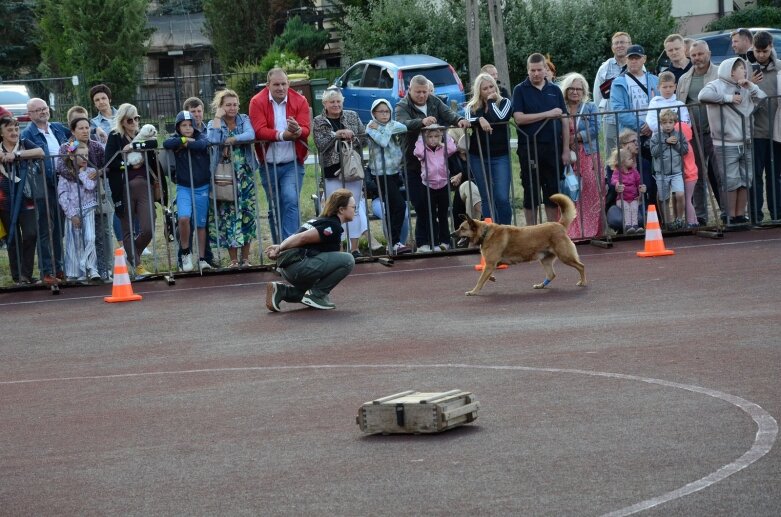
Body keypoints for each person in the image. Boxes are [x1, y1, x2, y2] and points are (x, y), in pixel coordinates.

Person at [396, 74, 469, 252]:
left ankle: (442, 241)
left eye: (425, 92)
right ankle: (423, 242)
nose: (422, 95)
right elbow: (401, 123)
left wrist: (459, 120)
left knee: (441, 207)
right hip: (413, 164)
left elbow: (448, 113)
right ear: (409, 90)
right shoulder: (402, 105)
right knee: (421, 205)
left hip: (437, 165)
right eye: (418, 92)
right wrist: (421, 121)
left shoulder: (434, 101)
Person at [265, 188, 356, 311]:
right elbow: (302, 238)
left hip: (291, 267)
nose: (355, 210)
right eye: (353, 207)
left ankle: (282, 291)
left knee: (316, 290)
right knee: (348, 260)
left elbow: (297, 237)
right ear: (341, 209)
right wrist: (280, 248)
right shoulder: (332, 225)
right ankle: (316, 295)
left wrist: (280, 247)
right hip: (299, 267)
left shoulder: (320, 220)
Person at [700, 57, 767, 225]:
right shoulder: (715, 85)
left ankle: (740, 215)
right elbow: (703, 95)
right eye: (741, 69)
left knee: (745, 179)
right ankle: (729, 215)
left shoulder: (744, 87)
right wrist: (728, 98)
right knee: (731, 181)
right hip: (725, 143)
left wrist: (750, 85)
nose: (744, 72)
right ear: (731, 71)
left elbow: (762, 98)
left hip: (746, 141)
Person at [249, 68, 311, 242]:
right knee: (275, 207)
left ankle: (289, 247)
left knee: (291, 200)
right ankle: (278, 247)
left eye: (284, 84)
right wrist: (283, 135)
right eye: (276, 84)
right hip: (268, 164)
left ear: (288, 84)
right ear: (268, 85)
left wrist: (298, 130)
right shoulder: (257, 101)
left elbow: (306, 128)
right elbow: (259, 131)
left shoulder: (300, 100)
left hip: (293, 163)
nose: (280, 88)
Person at [513, 52, 571, 225]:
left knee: (552, 192)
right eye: (532, 70)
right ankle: (532, 232)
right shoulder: (519, 89)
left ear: (546, 70)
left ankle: (552, 232)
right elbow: (519, 118)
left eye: (539, 70)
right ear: (528, 70)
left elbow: (565, 120)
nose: (536, 74)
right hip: (529, 147)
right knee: (530, 192)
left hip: (553, 147)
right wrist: (547, 114)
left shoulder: (555, 90)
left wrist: (566, 149)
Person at [312, 87, 370, 257]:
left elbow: (364, 138)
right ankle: (337, 248)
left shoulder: (352, 115)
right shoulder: (318, 120)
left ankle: (354, 248)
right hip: (332, 170)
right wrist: (335, 134)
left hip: (353, 168)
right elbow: (320, 144)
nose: (336, 105)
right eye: (332, 102)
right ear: (324, 104)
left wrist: (353, 136)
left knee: (354, 208)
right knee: (334, 210)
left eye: (338, 101)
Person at [105, 103, 160, 277]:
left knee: (148, 227)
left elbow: (154, 142)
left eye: (137, 118)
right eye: (130, 119)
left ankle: (129, 254)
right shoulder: (114, 137)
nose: (134, 122)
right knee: (127, 228)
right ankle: (137, 265)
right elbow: (110, 162)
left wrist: (134, 147)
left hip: (145, 184)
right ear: (122, 120)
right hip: (123, 187)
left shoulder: (142, 134)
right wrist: (128, 164)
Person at [20, 97, 71, 285]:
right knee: (45, 230)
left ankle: (59, 268)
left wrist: (94, 129)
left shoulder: (57, 127)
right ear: (30, 114)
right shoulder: (28, 134)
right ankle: (47, 270)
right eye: (38, 110)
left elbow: (73, 136)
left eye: (45, 108)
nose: (43, 111)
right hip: (43, 185)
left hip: (63, 183)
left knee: (59, 229)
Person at [207, 89, 258, 268]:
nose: (232, 108)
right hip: (225, 177)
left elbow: (250, 135)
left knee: (247, 215)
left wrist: (231, 139)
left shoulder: (243, 119)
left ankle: (245, 259)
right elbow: (212, 139)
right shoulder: (214, 123)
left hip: (245, 175)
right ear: (220, 106)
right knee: (229, 216)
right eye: (228, 104)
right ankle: (233, 260)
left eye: (235, 104)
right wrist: (217, 118)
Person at [56, 116, 111, 281]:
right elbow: (62, 167)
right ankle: (77, 270)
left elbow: (107, 165)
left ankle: (101, 269)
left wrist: (99, 172)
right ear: (73, 131)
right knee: (76, 239)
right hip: (74, 200)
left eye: (87, 127)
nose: (85, 131)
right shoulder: (69, 147)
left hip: (95, 198)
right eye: (81, 128)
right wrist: (83, 176)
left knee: (98, 234)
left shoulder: (96, 146)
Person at [676, 40, 722, 225]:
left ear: (708, 53)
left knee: (720, 174)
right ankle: (701, 215)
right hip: (693, 134)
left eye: (700, 54)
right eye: (694, 55)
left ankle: (727, 213)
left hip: (716, 131)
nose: (697, 58)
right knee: (696, 175)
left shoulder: (719, 73)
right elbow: (680, 104)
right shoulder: (684, 79)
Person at [163, 111, 212, 272]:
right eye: (184, 125)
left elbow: (203, 144)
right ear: (178, 127)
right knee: (184, 218)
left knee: (200, 224)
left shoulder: (201, 136)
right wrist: (183, 140)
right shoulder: (176, 140)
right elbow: (166, 144)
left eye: (190, 125)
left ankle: (203, 258)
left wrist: (188, 143)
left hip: (202, 187)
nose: (188, 128)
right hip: (184, 187)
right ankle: (185, 253)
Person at [464, 72, 513, 225]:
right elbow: (466, 119)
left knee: (502, 197)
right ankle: (489, 229)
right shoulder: (472, 106)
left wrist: (492, 102)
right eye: (485, 88)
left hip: (500, 156)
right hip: (477, 156)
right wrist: (480, 119)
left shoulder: (504, 102)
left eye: (492, 86)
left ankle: (506, 230)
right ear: (479, 91)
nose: (490, 90)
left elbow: (500, 117)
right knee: (486, 198)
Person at [0, 116, 44, 284]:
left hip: (27, 199)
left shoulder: (25, 143)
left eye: (16, 129)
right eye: (9, 130)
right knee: (12, 238)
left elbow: (40, 152)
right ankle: (17, 276)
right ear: (1, 133)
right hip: (5, 201)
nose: (14, 132)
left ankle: (26, 274)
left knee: (31, 233)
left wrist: (16, 155)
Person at [559, 72, 602, 239]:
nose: (575, 92)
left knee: (591, 189)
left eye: (579, 89)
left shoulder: (590, 107)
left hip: (588, 154)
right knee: (570, 190)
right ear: (566, 90)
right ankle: (572, 231)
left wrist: (575, 137)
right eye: (571, 89)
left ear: (584, 91)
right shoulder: (560, 107)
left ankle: (591, 230)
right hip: (567, 156)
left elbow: (595, 129)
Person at [365, 98, 411, 255]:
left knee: (392, 208)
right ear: (374, 113)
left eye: (387, 111)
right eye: (381, 112)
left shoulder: (385, 125)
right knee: (400, 205)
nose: (385, 114)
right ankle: (395, 242)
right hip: (380, 173)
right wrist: (383, 128)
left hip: (394, 172)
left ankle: (393, 244)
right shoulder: (370, 127)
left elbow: (403, 127)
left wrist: (384, 127)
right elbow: (383, 141)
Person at [748, 31, 781, 223]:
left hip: (776, 131)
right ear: (753, 48)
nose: (761, 55)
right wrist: (749, 84)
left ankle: (777, 214)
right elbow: (739, 96)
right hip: (756, 131)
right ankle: (755, 215)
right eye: (758, 51)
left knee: (775, 175)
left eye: (765, 51)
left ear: (771, 48)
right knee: (756, 177)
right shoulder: (745, 66)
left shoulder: (779, 68)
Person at [57, 144, 99, 282]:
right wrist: (71, 214)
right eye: (81, 156)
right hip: (73, 212)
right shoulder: (65, 175)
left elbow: (90, 186)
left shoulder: (91, 171)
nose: (84, 158)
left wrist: (82, 173)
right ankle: (77, 272)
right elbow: (62, 195)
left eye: (86, 155)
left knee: (90, 238)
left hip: (89, 208)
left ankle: (92, 268)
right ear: (71, 156)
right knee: (75, 242)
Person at [610, 45, 659, 163]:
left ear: (644, 59)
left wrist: (652, 124)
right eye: (631, 58)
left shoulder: (655, 80)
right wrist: (642, 126)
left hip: (654, 132)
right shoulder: (618, 82)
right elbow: (618, 110)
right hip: (630, 135)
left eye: (637, 58)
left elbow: (662, 104)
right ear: (626, 60)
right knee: (633, 169)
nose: (634, 61)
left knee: (656, 168)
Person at [413, 125, 457, 250]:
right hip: (428, 186)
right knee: (431, 215)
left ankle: (445, 241)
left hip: (443, 185)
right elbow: (417, 152)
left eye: (436, 136)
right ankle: (434, 242)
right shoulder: (424, 151)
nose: (433, 139)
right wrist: (421, 136)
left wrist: (444, 134)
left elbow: (453, 148)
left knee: (443, 215)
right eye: (430, 137)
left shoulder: (443, 149)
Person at [594, 32, 632, 155]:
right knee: (612, 154)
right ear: (612, 47)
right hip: (611, 118)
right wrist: (603, 113)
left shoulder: (638, 65)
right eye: (616, 43)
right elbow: (597, 94)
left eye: (622, 42)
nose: (619, 45)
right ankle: (611, 175)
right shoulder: (604, 68)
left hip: (631, 117)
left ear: (629, 45)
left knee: (631, 151)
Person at [651, 109, 688, 228]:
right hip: (661, 173)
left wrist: (676, 143)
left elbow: (685, 150)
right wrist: (665, 142)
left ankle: (679, 219)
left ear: (675, 123)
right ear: (661, 124)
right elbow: (654, 152)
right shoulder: (656, 137)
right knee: (664, 198)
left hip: (677, 172)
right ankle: (667, 222)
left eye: (670, 122)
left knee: (680, 194)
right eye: (665, 123)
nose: (668, 125)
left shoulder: (679, 134)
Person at [609, 148, 646, 234]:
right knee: (626, 208)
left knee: (634, 208)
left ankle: (635, 226)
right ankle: (628, 226)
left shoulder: (634, 171)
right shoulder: (617, 172)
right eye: (630, 159)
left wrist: (641, 189)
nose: (632, 160)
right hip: (622, 199)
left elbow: (638, 181)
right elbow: (613, 180)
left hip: (633, 198)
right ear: (622, 162)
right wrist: (617, 183)